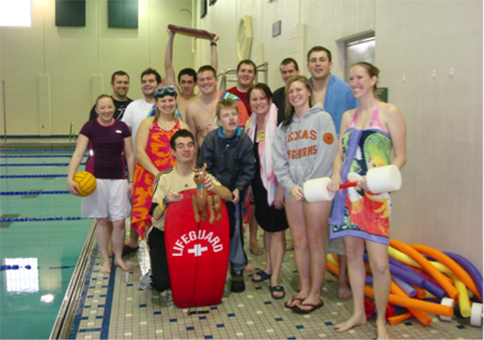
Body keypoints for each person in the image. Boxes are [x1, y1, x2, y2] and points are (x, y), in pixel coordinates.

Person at [328, 62, 406, 339]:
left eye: (360, 77)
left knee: (380, 264)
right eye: (351, 78)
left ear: (373, 80)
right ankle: (359, 313)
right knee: (352, 257)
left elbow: (400, 155)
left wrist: (378, 177)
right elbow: (339, 153)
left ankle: (381, 321)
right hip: (348, 197)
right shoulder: (347, 116)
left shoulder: (389, 112)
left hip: (376, 198)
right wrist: (337, 174)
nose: (355, 82)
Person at [272, 75, 337, 314]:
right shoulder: (284, 127)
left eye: (299, 89)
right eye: (291, 92)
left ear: (309, 92)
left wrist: (310, 183)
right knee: (298, 242)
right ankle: (304, 288)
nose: (295, 94)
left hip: (316, 189)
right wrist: (289, 185)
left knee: (315, 242)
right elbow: (279, 161)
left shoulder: (323, 119)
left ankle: (316, 294)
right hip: (294, 191)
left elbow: (327, 152)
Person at [148, 129, 232, 293]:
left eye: (189, 145)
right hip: (164, 235)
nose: (186, 149)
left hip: (195, 236)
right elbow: (155, 214)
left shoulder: (202, 176)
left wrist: (213, 187)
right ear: (173, 151)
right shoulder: (164, 178)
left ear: (195, 149)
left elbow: (228, 196)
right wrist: (166, 201)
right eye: (180, 146)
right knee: (163, 284)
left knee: (198, 279)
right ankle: (154, 272)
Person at [307, 45, 359, 298]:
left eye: (322, 60)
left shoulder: (345, 91)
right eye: (313, 60)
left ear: (330, 64)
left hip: (338, 165)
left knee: (340, 224)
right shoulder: (301, 90)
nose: (318, 64)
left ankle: (343, 281)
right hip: (310, 166)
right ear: (308, 65)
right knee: (313, 229)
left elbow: (354, 126)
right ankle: (311, 281)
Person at [67, 94, 135, 274]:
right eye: (102, 107)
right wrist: (70, 177)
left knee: (119, 222)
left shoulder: (122, 128)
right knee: (103, 221)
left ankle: (118, 257)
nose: (106, 110)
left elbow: (129, 155)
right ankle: (106, 260)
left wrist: (131, 181)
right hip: (95, 180)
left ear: (114, 108)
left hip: (118, 179)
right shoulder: (89, 127)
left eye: (109, 107)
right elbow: (78, 154)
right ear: (96, 109)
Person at [198, 98, 254, 293]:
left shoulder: (245, 140)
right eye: (226, 115)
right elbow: (205, 167)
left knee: (236, 231)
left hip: (235, 195)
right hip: (214, 193)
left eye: (233, 114)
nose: (231, 118)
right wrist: (215, 190)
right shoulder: (211, 139)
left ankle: (237, 268)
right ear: (219, 120)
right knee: (212, 230)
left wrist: (238, 188)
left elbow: (248, 169)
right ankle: (213, 266)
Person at [245, 83, 289, 299]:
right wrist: (251, 188)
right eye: (254, 99)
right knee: (266, 228)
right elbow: (252, 159)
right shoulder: (250, 124)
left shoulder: (279, 123)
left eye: (262, 98)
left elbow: (286, 159)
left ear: (270, 99)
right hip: (259, 185)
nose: (259, 102)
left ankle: (276, 278)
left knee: (277, 230)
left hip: (276, 185)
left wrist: (281, 188)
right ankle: (269, 267)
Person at [131, 86, 189, 241]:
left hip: (174, 179)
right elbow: (140, 152)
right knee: (151, 220)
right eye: (163, 101)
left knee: (175, 219)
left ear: (176, 101)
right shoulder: (148, 123)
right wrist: (158, 174)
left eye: (171, 100)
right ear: (156, 103)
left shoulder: (183, 127)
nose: (167, 104)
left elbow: (188, 155)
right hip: (149, 178)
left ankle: (172, 255)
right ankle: (154, 256)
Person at [121, 68, 163, 254]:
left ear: (158, 83)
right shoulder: (133, 107)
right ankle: (133, 240)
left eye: (151, 81)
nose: (147, 84)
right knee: (138, 205)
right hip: (140, 164)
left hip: (162, 164)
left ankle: (159, 243)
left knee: (161, 204)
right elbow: (125, 133)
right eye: (144, 81)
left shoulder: (165, 104)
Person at [226, 59, 262, 256]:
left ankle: (254, 239)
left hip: (256, 149)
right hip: (234, 153)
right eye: (243, 71)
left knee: (254, 198)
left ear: (254, 75)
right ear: (237, 73)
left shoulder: (259, 95)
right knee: (238, 198)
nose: (246, 74)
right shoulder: (229, 95)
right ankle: (235, 241)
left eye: (250, 71)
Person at [186, 65, 249, 160]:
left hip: (233, 159)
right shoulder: (191, 109)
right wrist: (194, 168)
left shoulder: (232, 101)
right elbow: (193, 142)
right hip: (207, 161)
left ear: (216, 80)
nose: (206, 82)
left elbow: (245, 132)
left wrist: (221, 131)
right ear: (197, 83)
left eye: (209, 78)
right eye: (202, 80)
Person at [271, 57, 300, 252]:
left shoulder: (304, 93)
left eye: (291, 71)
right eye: (284, 72)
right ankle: (296, 239)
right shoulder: (277, 95)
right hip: (285, 152)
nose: (287, 75)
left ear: (298, 71)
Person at [164, 29, 219, 121]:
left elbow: (213, 68)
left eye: (190, 82)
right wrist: (171, 37)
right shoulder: (176, 97)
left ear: (196, 83)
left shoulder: (199, 97)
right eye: (183, 82)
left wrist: (213, 43)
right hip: (177, 134)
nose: (186, 85)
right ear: (179, 83)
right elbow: (168, 65)